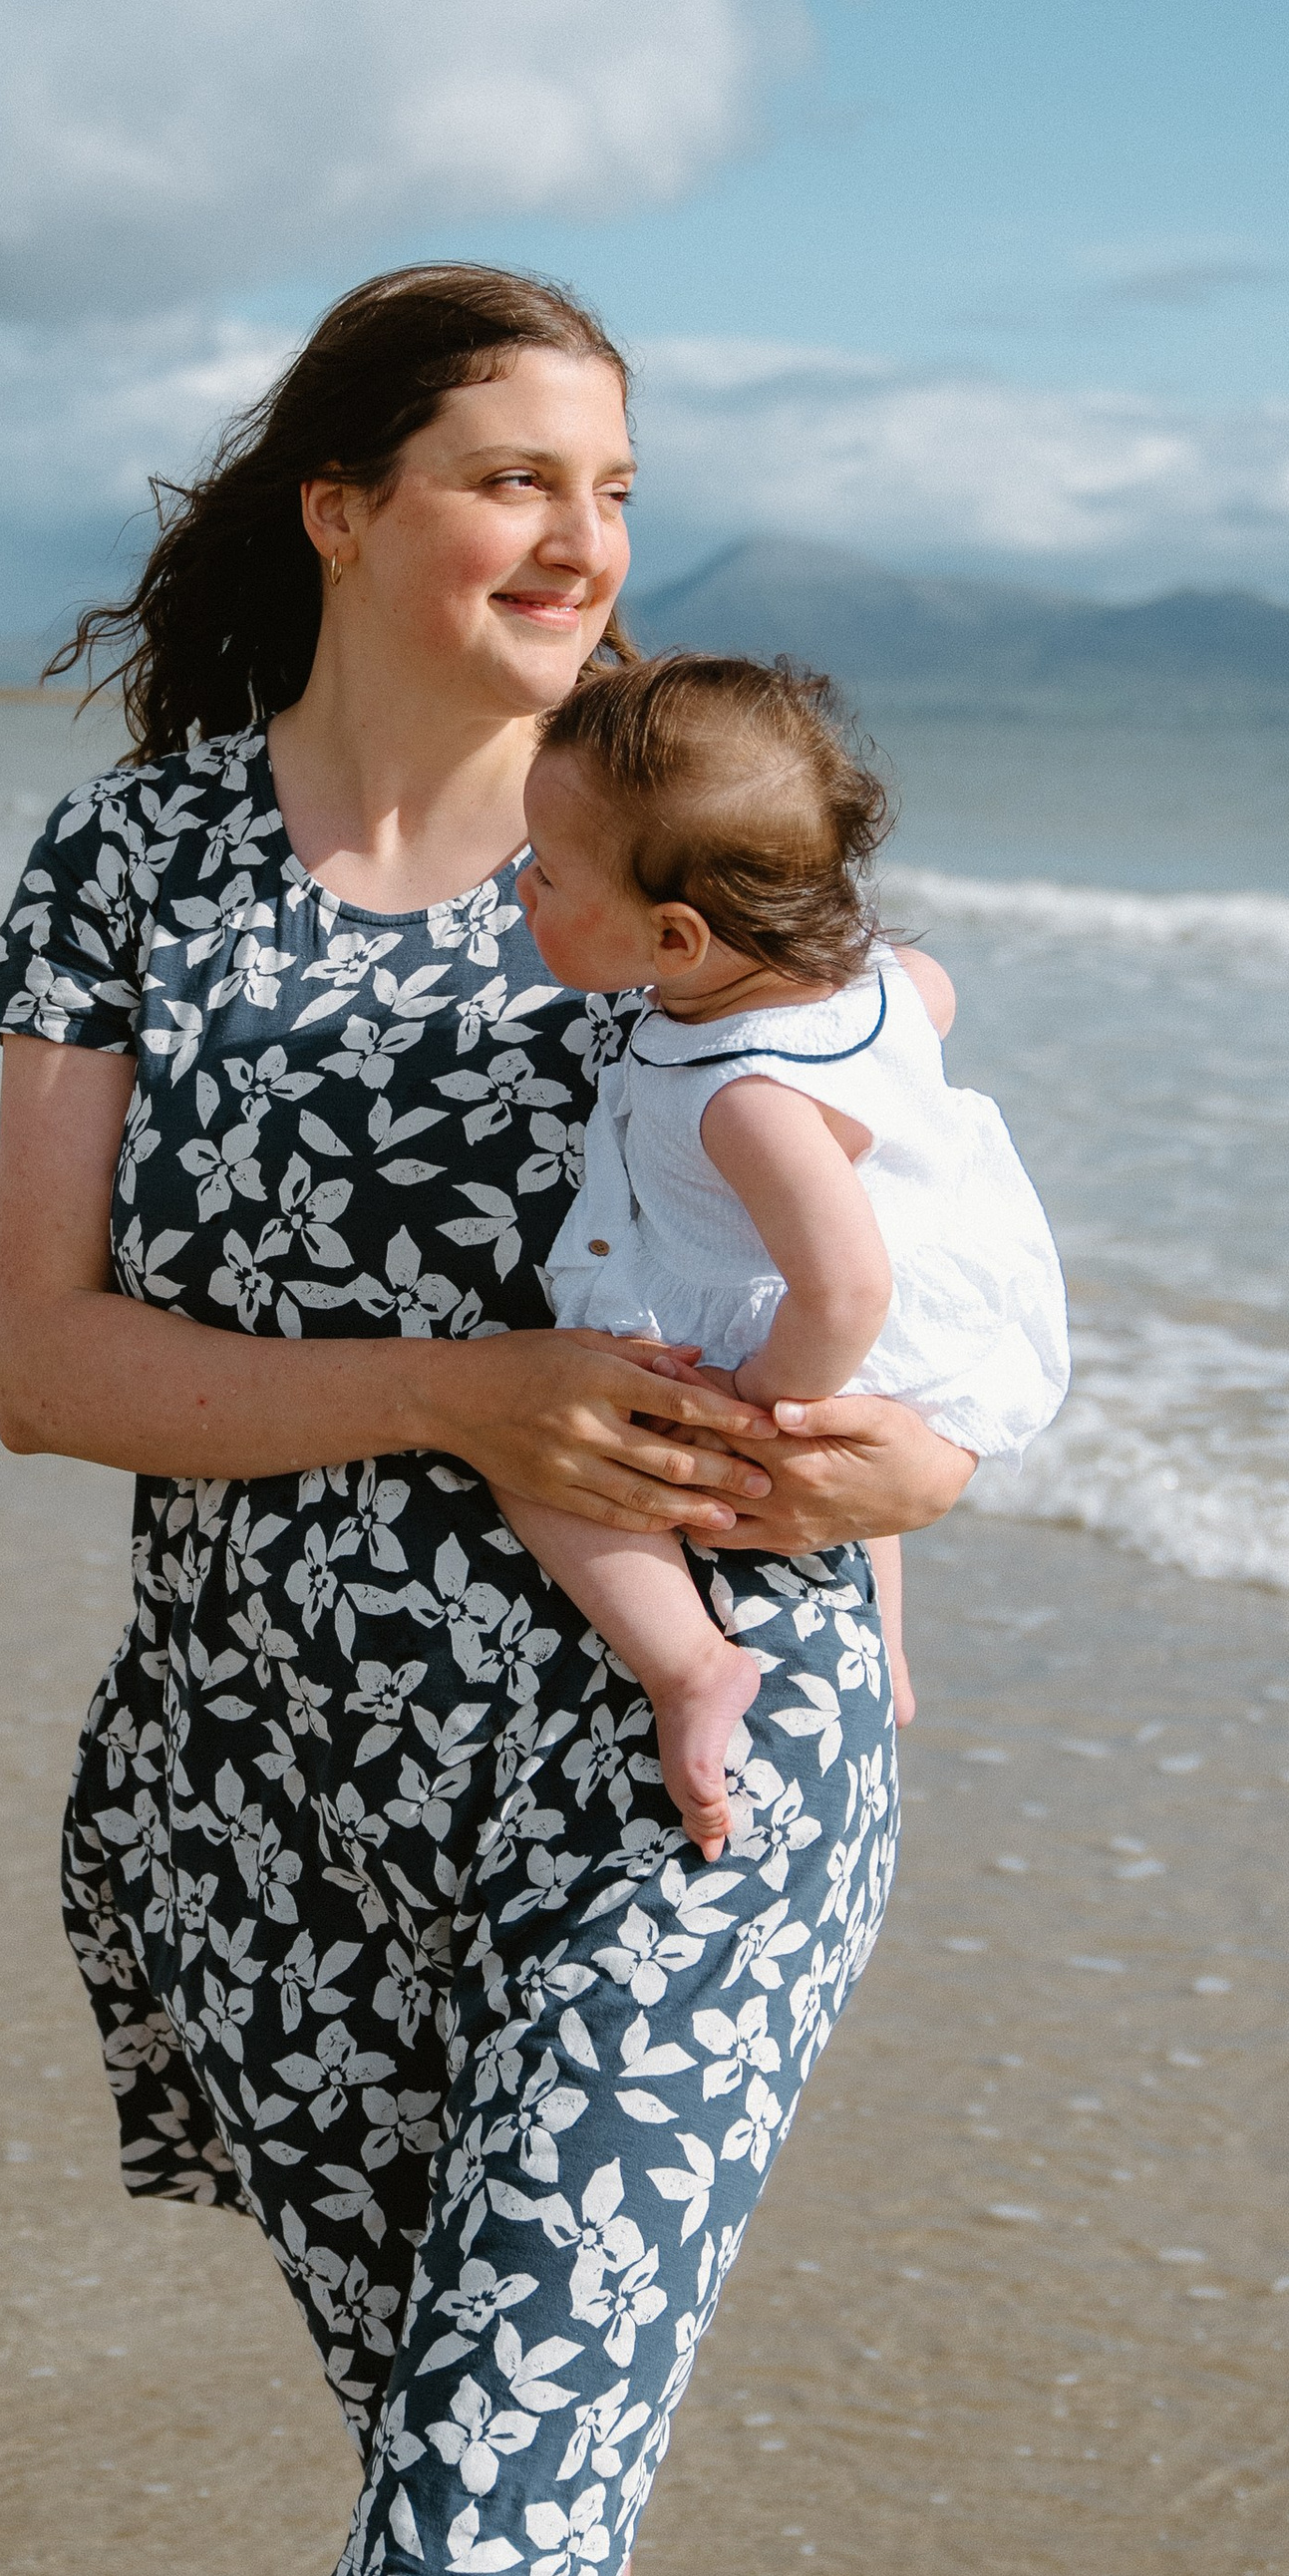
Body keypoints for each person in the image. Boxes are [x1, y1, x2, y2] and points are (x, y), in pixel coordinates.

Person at [0, 264, 979, 2576]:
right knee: (532, 2543)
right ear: (343, 504)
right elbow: (45, 1364)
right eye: (515, 473)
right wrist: (465, 1393)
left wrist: (916, 1482)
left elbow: (923, 1318)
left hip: (666, 1800)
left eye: (613, 483)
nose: (581, 536)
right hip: (268, 1813)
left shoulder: (678, 836)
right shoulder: (137, 856)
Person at [502, 652, 1070, 1858]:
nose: (519, 890)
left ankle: (688, 1664)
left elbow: (847, 1284)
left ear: (673, 933)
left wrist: (769, 1402)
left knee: (542, 1460)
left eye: (546, 875)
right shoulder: (879, 980)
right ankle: (890, 1656)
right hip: (920, 1325)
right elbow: (934, 991)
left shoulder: (741, 1094)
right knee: (869, 1468)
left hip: (811, 1342)